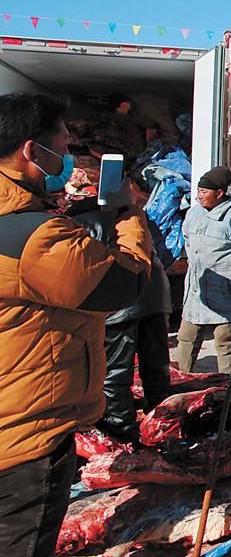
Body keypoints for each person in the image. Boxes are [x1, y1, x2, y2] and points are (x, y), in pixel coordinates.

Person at [0, 93, 153, 557]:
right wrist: (128, 214)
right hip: (23, 434)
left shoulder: (29, 221)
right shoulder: (36, 236)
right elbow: (121, 283)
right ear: (32, 151)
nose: (67, 157)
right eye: (63, 147)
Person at [64, 177, 172, 440]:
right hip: (156, 298)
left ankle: (123, 433)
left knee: (114, 374)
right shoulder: (130, 217)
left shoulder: (81, 223)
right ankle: (166, 427)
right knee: (157, 369)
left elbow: (87, 271)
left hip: (122, 305)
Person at [175, 166, 231, 374]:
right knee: (187, 337)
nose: (199, 196)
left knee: (225, 340)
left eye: (204, 192)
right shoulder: (194, 213)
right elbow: (187, 239)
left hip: (225, 290)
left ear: (219, 193)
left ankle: (228, 387)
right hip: (197, 289)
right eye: (198, 191)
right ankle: (180, 380)